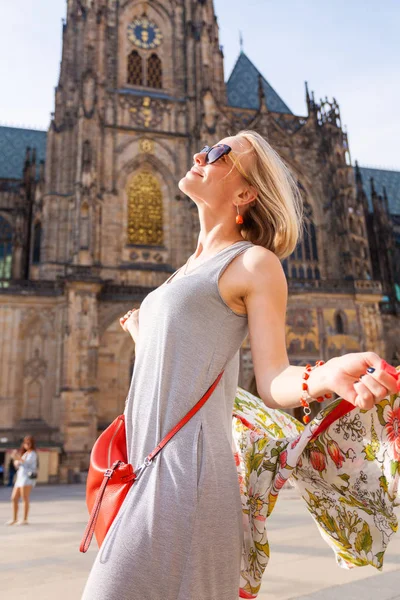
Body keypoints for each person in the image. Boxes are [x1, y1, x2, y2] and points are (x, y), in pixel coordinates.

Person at [81, 130, 397, 600]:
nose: (200, 154)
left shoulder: (254, 263)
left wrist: (325, 374)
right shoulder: (187, 266)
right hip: (145, 473)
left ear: (246, 192)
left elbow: (273, 380)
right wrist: (144, 332)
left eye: (218, 153)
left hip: (186, 482)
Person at [6, 435, 38, 526]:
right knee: (14, 498)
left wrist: (18, 458)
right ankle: (14, 518)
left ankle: (24, 519)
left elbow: (27, 463)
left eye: (28, 443)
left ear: (32, 444)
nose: (26, 445)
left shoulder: (33, 454)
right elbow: (19, 465)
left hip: (27, 478)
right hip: (20, 478)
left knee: (25, 497)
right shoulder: (25, 454)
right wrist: (15, 460)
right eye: (25, 443)